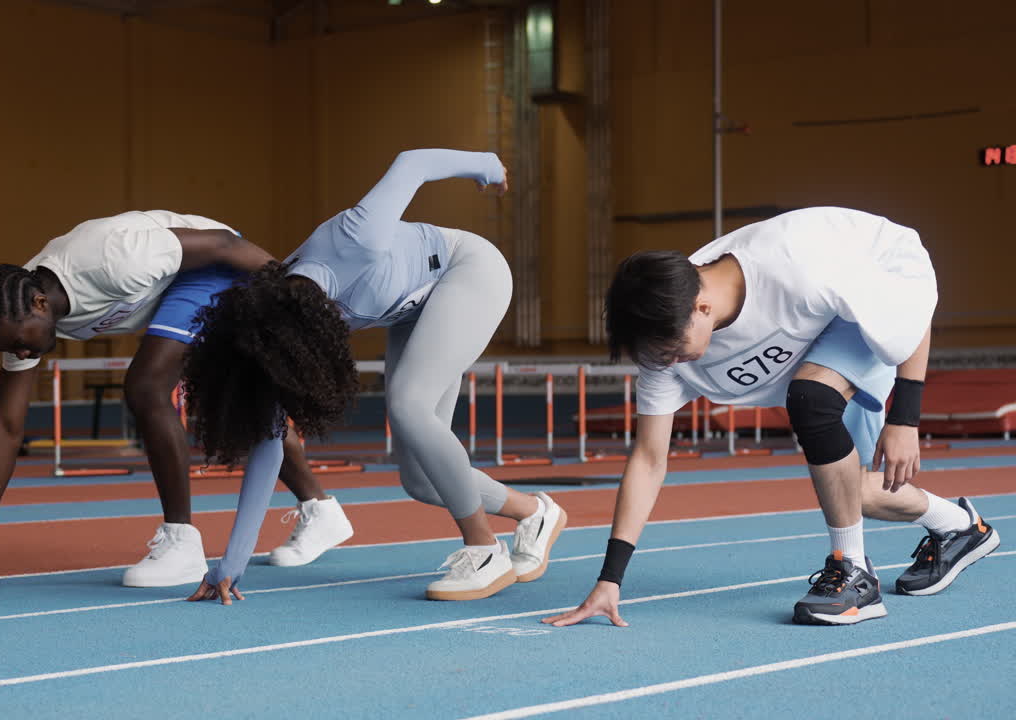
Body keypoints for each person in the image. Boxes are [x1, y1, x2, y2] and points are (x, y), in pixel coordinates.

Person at [543, 207, 1000, 628]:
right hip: (826, 324)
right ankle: (959, 527)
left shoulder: (799, 270)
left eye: (671, 351)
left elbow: (911, 305)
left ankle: (854, 575)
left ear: (701, 308)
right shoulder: (664, 344)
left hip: (885, 278)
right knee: (852, 491)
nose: (669, 364)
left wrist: (907, 419)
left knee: (811, 399)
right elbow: (648, 459)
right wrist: (610, 581)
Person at [182, 149, 567, 602]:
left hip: (468, 271)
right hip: (413, 311)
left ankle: (483, 549)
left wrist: (487, 166)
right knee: (421, 480)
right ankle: (535, 513)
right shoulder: (269, 321)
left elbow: (412, 164)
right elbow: (270, 445)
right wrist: (231, 565)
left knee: (408, 405)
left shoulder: (355, 239)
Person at [0, 210, 354, 598]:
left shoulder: (113, 259)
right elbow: (7, 427)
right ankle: (321, 510)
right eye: (11, 350)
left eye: (20, 343)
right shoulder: (20, 319)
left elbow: (224, 246)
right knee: (246, 402)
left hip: (216, 263)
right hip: (174, 291)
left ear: (39, 304)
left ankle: (181, 542)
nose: (21, 354)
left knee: (145, 386)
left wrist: (298, 298)